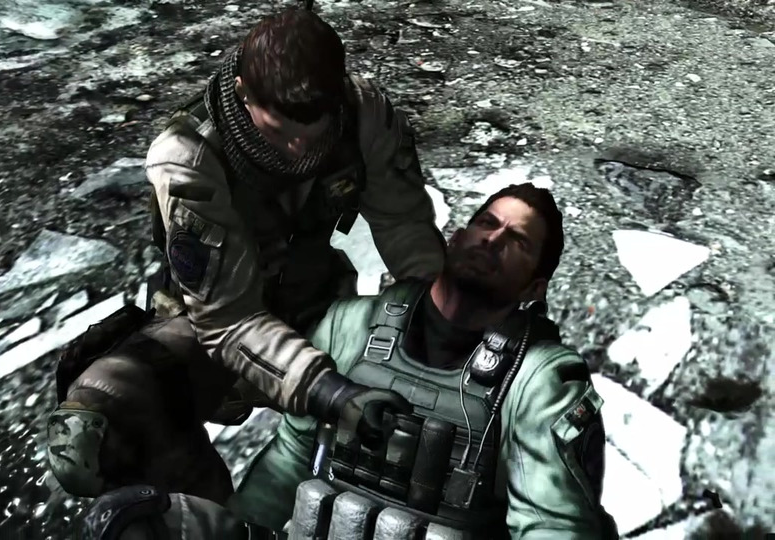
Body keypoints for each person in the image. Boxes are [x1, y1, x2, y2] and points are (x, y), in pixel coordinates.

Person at [47, 7, 444, 506]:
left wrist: (432, 322)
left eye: (314, 130)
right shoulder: (188, 156)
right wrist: (331, 392)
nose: (299, 149)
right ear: (242, 93)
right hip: (208, 333)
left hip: (320, 310)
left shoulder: (364, 113)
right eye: (280, 131)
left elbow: (405, 227)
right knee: (90, 431)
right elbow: (228, 321)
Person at [78, 183, 619, 539]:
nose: (493, 240)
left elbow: (552, 525)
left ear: (534, 287)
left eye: (517, 240)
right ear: (457, 237)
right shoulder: (351, 324)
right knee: (135, 522)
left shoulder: (540, 379)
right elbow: (291, 459)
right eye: (487, 223)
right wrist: (243, 526)